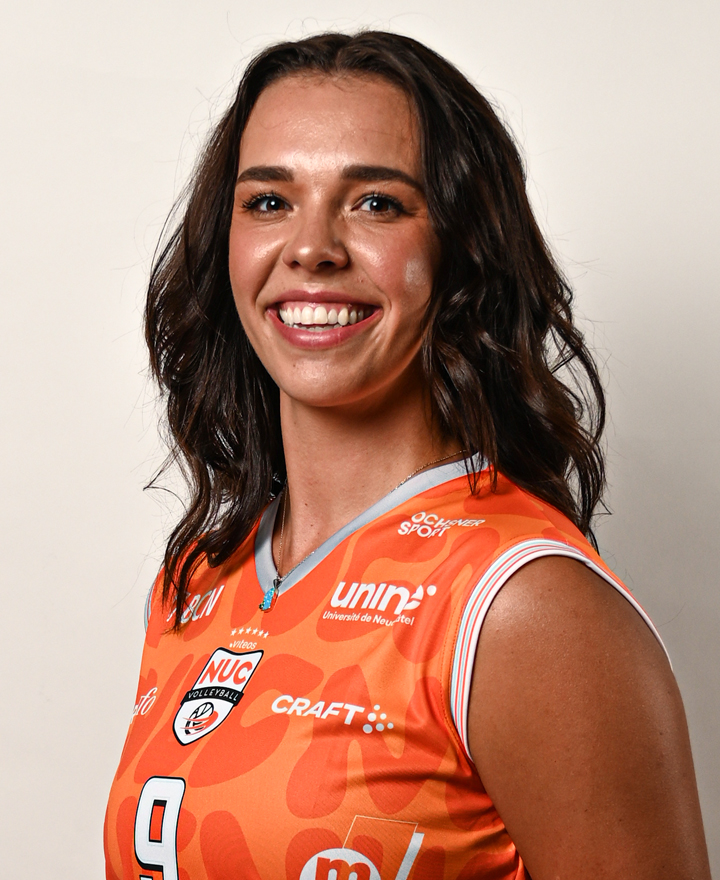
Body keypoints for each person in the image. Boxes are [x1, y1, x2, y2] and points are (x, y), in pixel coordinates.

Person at [104, 31, 710, 880]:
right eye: (269, 201)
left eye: (376, 204)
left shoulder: (524, 605)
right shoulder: (199, 582)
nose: (311, 247)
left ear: (461, 248)